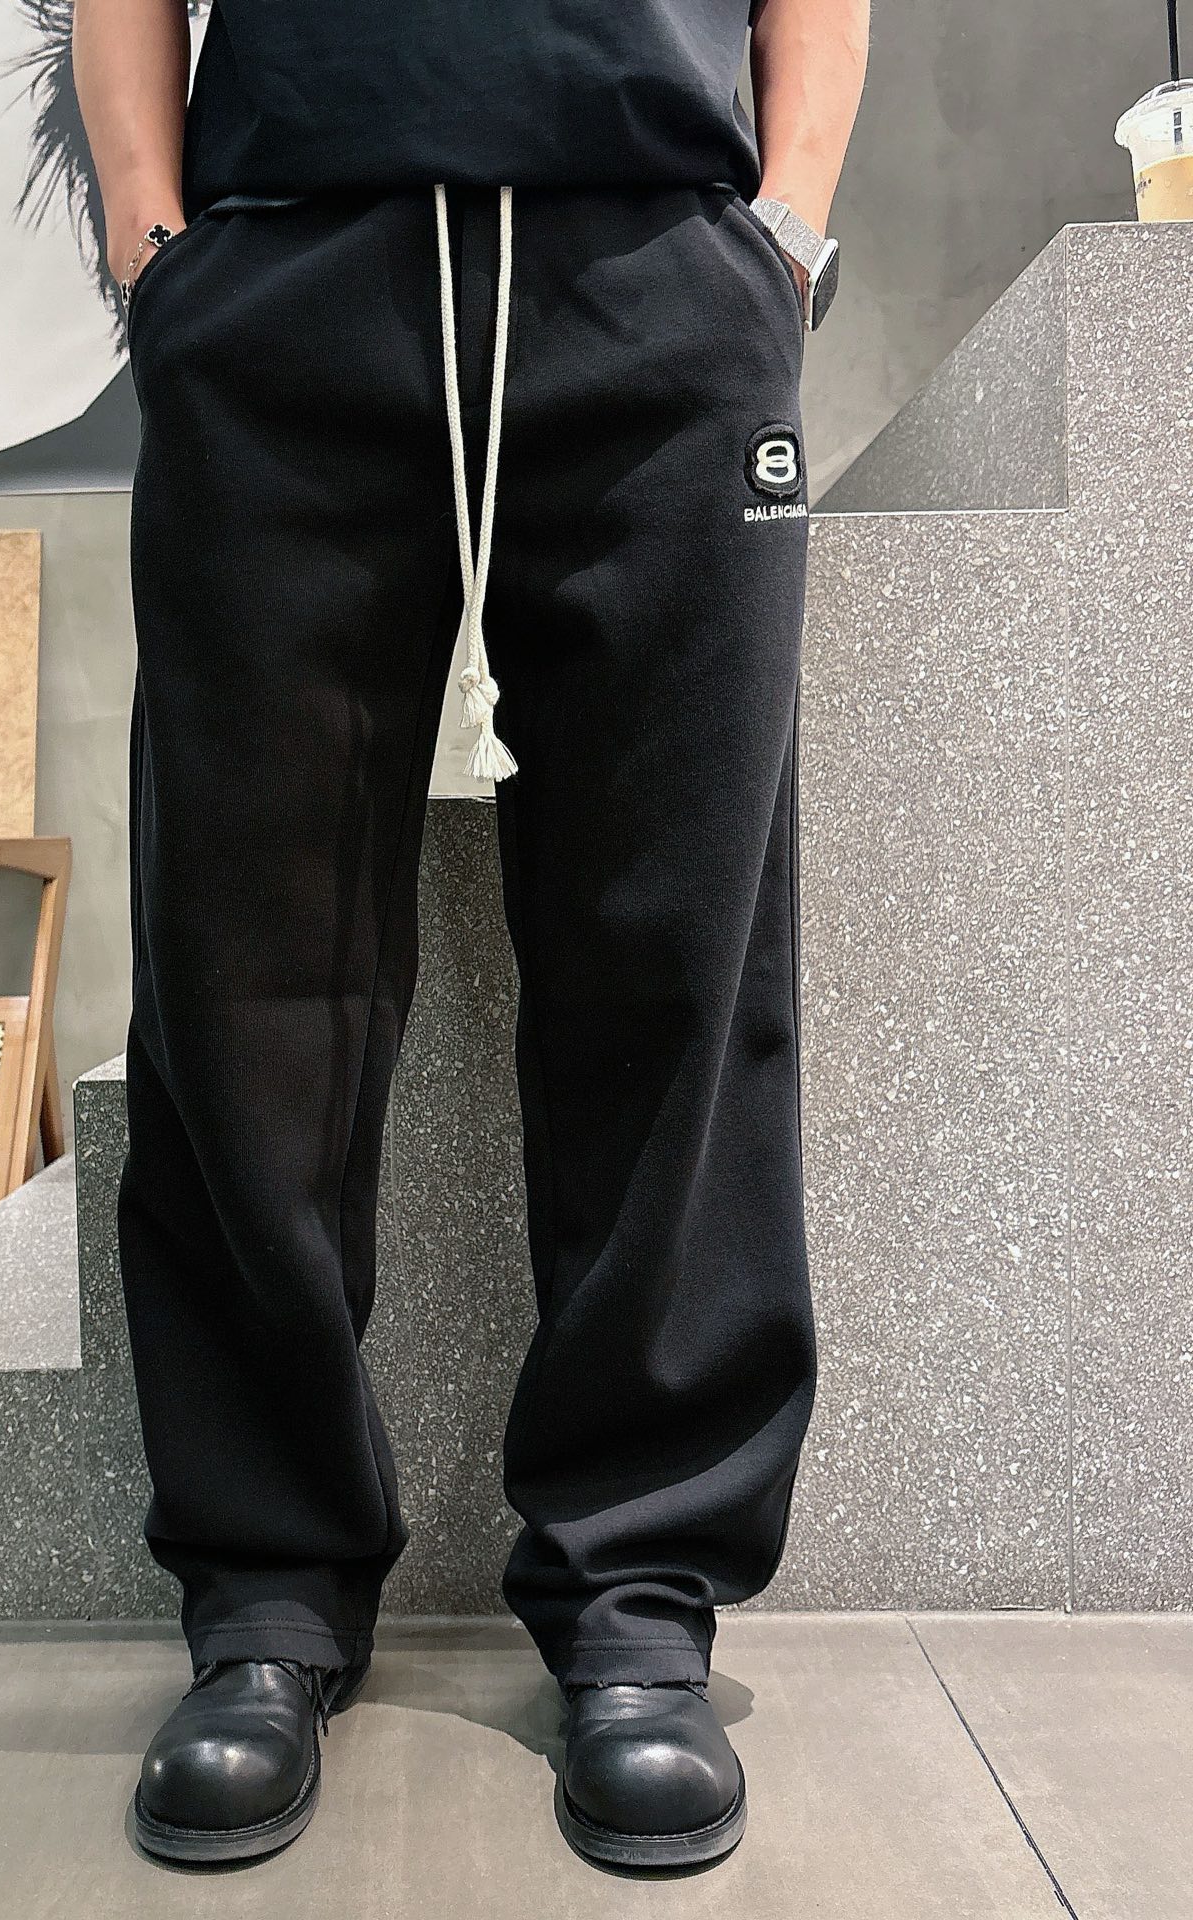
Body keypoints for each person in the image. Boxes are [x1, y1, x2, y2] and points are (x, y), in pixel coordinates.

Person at [74, 0, 867, 1871]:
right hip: (283, 278)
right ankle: (267, 1586)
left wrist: (783, 236)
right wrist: (152, 249)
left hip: (658, 275)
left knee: (677, 956)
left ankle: (639, 1591)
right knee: (243, 966)